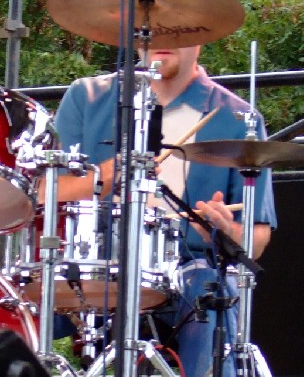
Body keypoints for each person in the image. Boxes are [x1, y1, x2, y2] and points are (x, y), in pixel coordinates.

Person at [48, 45, 277, 377]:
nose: (163, 34)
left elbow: (257, 237)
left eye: (178, 26)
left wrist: (228, 233)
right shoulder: (88, 97)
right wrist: (100, 179)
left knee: (208, 293)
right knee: (9, 299)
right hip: (89, 265)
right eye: (156, 24)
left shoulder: (237, 118)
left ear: (200, 37)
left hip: (184, 274)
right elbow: (40, 191)